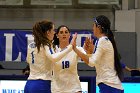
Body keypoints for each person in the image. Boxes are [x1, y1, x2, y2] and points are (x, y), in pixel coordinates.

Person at [72, 15, 124, 93]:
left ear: (98, 27)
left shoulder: (102, 41)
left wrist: (75, 49)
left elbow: (92, 63)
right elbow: (96, 62)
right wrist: (89, 52)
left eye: (93, 25)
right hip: (111, 86)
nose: (92, 28)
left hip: (109, 86)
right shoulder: (101, 40)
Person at [24, 20, 76, 93]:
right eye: (53, 30)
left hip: (29, 84)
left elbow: (28, 60)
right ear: (48, 32)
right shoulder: (46, 44)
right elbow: (54, 58)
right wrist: (70, 47)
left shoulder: (31, 45)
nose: (54, 32)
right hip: (42, 84)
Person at [51, 25, 85, 93]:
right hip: (57, 89)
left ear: (69, 35)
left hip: (74, 88)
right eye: (61, 32)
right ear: (57, 35)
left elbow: (88, 59)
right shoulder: (53, 50)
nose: (64, 34)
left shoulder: (77, 49)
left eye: (66, 32)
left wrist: (89, 51)